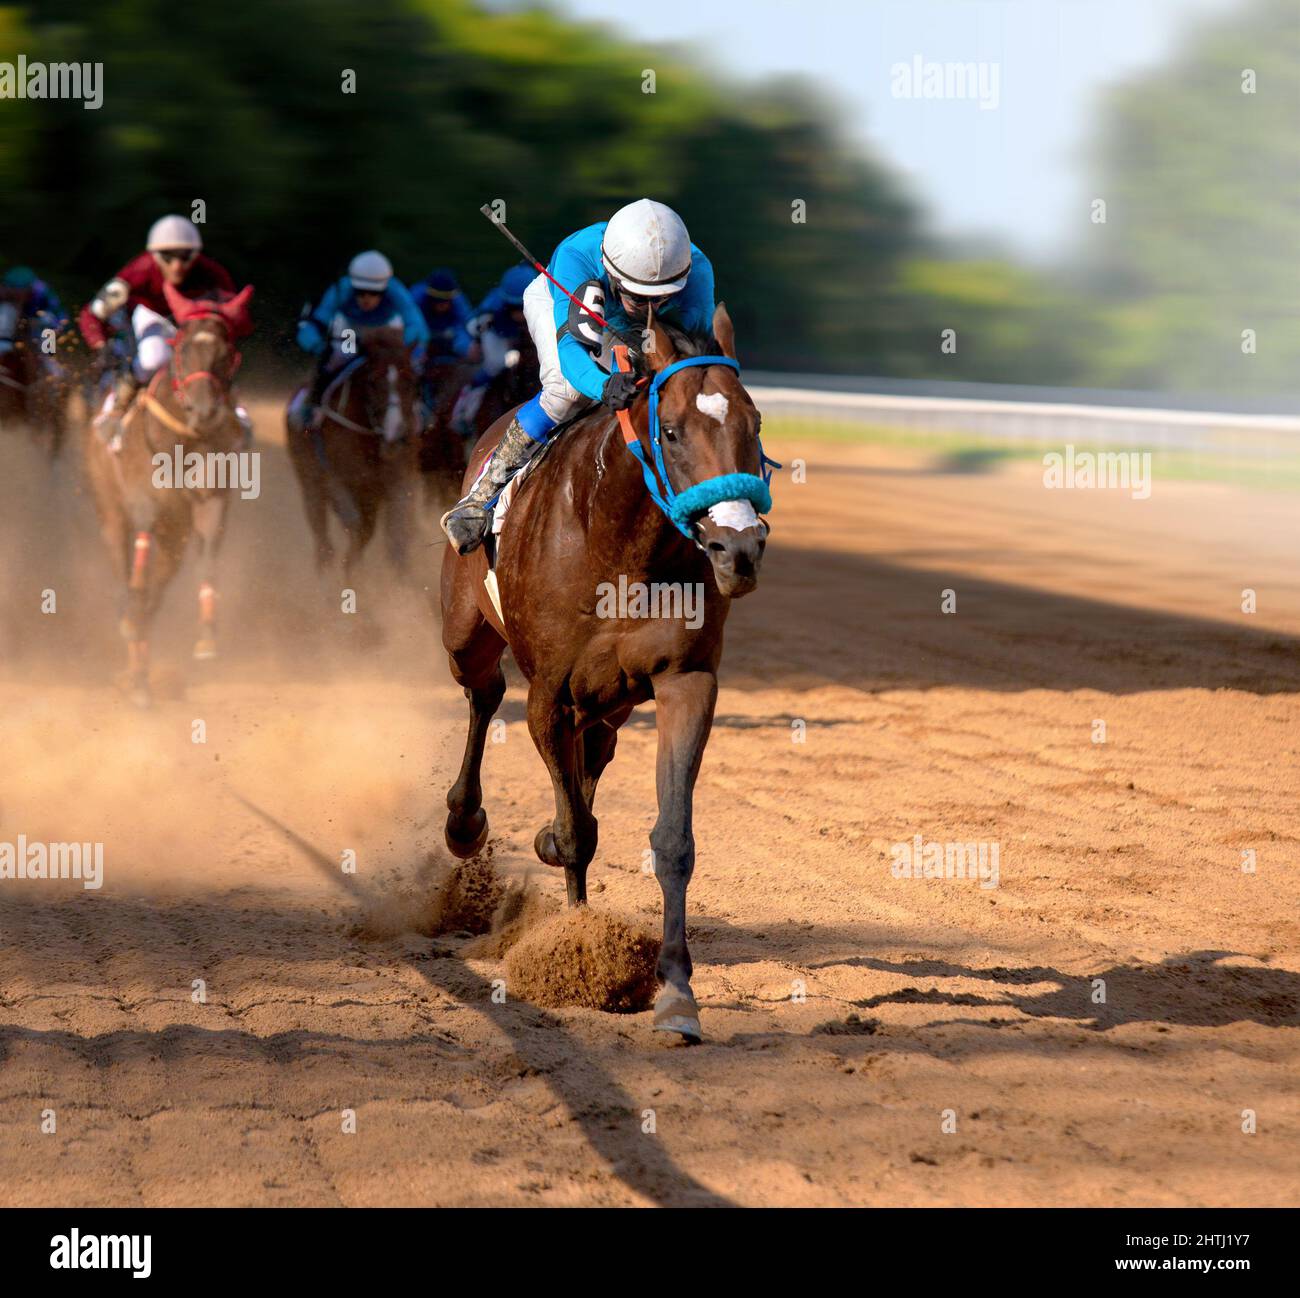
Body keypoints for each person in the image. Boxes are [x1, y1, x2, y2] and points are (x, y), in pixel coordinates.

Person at [440, 199, 715, 555]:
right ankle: (480, 499)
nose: (651, 308)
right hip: (559, 302)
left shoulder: (699, 271)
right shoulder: (577, 259)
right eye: (639, 298)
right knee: (567, 391)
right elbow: (573, 353)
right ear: (612, 274)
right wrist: (605, 385)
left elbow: (694, 357)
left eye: (662, 298)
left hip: (637, 334)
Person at [79, 215, 237, 443]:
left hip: (194, 321)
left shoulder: (213, 273)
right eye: (167, 257)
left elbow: (232, 313)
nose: (177, 265)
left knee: (211, 357)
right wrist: (100, 344)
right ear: (154, 255)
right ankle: (118, 408)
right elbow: (92, 313)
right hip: (153, 315)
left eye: (185, 257)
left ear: (197, 254)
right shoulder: (139, 271)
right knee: (154, 358)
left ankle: (236, 413)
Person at [293, 250, 429, 432]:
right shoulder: (340, 289)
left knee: (408, 367)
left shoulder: (396, 290)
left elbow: (416, 326)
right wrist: (316, 345)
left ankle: (419, 408)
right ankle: (313, 405)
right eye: (360, 292)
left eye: (374, 293)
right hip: (350, 329)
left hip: (387, 330)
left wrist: (400, 349)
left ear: (384, 288)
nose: (367, 298)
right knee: (339, 358)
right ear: (353, 286)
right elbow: (318, 321)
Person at [448, 263, 534, 435]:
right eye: (513, 308)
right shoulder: (492, 306)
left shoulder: (546, 302)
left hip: (527, 338)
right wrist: (472, 341)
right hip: (499, 335)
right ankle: (464, 411)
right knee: (495, 364)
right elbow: (470, 326)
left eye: (522, 307)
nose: (518, 313)